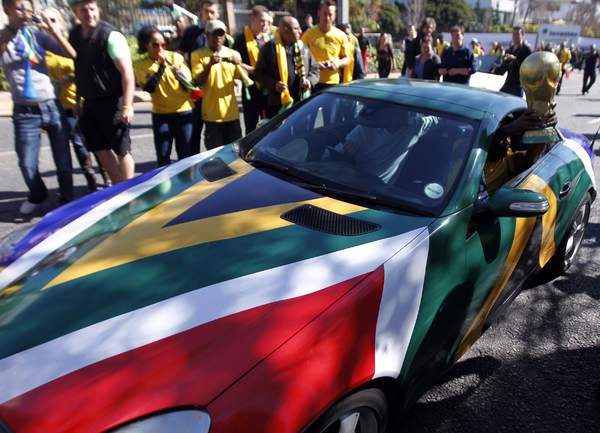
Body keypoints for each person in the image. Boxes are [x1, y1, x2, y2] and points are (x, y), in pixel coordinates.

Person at [0, 0, 74, 214]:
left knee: (63, 160)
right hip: (25, 111)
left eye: (27, 7)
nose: (25, 12)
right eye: (19, 7)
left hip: (51, 104)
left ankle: (67, 199)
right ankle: (38, 194)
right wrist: (15, 27)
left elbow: (71, 53)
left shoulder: (37, 35)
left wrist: (51, 29)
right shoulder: (4, 37)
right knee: (27, 163)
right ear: (6, 9)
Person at [69, 0, 135, 184]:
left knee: (122, 149)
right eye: (84, 10)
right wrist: (78, 101)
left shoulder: (110, 35)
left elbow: (127, 73)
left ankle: (130, 190)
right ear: (75, 12)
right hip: (90, 102)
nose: (89, 14)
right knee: (99, 148)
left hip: (113, 101)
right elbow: (80, 70)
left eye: (92, 9)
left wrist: (127, 106)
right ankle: (118, 188)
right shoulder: (75, 35)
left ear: (97, 9)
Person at [43, 9, 104, 192]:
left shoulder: (72, 43)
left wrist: (74, 78)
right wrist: (56, 83)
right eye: (45, 20)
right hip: (63, 105)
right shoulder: (41, 49)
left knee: (96, 140)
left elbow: (89, 67)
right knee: (78, 143)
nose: (48, 23)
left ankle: (107, 176)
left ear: (61, 22)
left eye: (53, 20)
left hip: (86, 101)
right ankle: (91, 178)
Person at [134, 26, 193, 167]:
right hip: (161, 115)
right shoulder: (140, 65)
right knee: (163, 157)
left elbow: (189, 86)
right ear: (146, 45)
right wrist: (161, 67)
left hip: (183, 111)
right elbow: (150, 88)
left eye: (163, 44)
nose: (160, 48)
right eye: (155, 45)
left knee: (185, 156)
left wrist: (178, 74)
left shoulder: (176, 58)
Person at [342, 105, 438, 183]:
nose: (406, 115)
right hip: (352, 180)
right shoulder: (366, 127)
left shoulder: (414, 126)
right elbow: (344, 152)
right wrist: (347, 154)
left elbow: (439, 119)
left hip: (380, 190)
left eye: (405, 111)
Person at [191, 19, 244, 150]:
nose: (218, 37)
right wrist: (209, 65)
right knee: (215, 155)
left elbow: (244, 77)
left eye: (221, 34)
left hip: (232, 114)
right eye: (214, 34)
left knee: (235, 154)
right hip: (212, 116)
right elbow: (198, 81)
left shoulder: (233, 54)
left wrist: (240, 65)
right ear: (207, 35)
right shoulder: (197, 55)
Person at [254, 16, 319, 117]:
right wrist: (274, 85)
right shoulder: (269, 49)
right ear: (285, 31)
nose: (300, 31)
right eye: (296, 28)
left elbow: (315, 68)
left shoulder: (303, 47)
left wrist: (310, 81)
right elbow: (258, 74)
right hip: (278, 103)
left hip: (301, 101)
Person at [179, 0, 219, 154]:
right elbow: (181, 57)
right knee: (194, 130)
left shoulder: (221, 32)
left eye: (212, 12)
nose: (209, 15)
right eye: (206, 11)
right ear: (201, 13)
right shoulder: (191, 33)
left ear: (217, 14)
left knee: (215, 132)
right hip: (195, 91)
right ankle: (192, 162)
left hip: (215, 90)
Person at [485, 109, 557, 193]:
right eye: (503, 138)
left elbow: (528, 159)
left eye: (509, 137)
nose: (508, 142)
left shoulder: (502, 161)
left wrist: (544, 128)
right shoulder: (476, 162)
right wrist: (507, 130)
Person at [233, 5, 271, 134]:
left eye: (267, 21)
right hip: (250, 89)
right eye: (262, 21)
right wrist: (252, 70)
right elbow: (235, 62)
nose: (265, 24)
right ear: (252, 18)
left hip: (266, 88)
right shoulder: (241, 39)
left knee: (268, 124)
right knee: (251, 126)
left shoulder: (267, 38)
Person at [301, 0, 350, 92]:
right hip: (313, 81)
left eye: (330, 14)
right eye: (324, 13)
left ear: (334, 15)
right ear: (318, 13)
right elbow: (300, 56)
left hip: (333, 82)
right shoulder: (308, 34)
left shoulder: (341, 35)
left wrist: (337, 63)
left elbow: (347, 59)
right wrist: (315, 65)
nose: (327, 17)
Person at [499, 26, 532, 97]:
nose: (515, 37)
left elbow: (528, 68)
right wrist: (505, 61)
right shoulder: (510, 49)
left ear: (522, 35)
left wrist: (514, 59)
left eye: (517, 34)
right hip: (508, 83)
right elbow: (503, 70)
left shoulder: (526, 49)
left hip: (518, 85)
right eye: (513, 34)